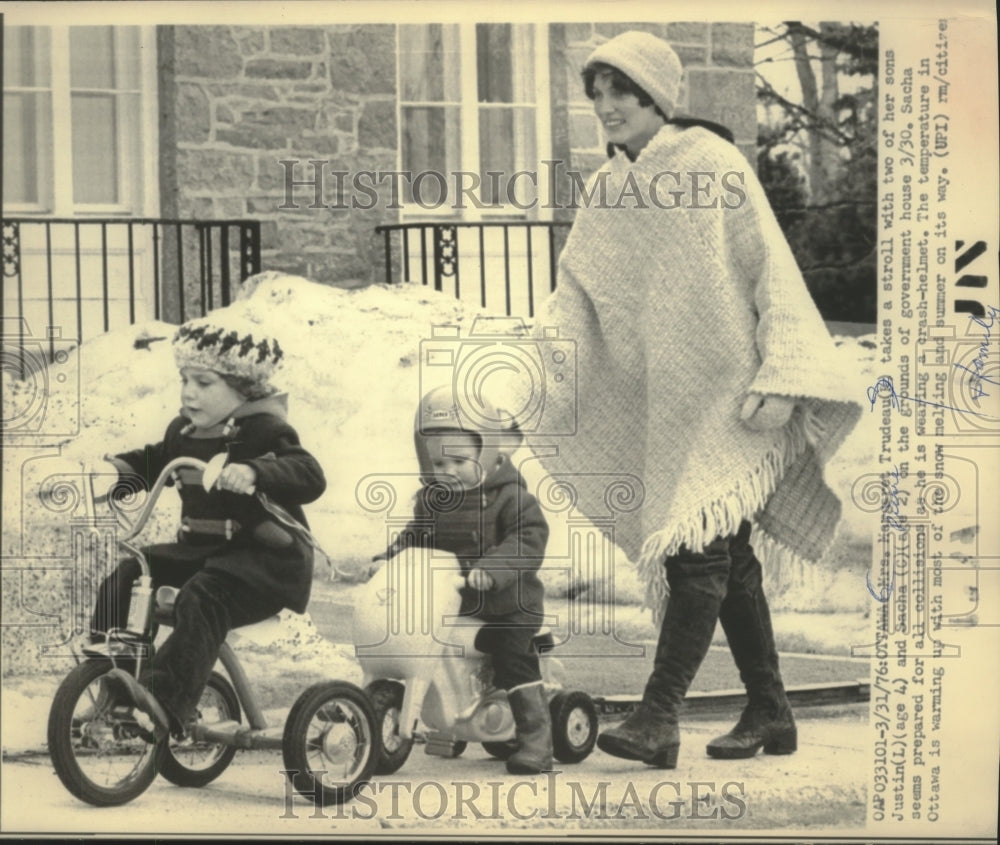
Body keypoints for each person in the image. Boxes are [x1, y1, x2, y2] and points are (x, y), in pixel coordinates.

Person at [526, 31, 863, 768]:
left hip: (733, 397)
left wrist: (782, 377)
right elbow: (577, 297)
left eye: (622, 91)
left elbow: (770, 271)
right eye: (597, 93)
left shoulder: (714, 166)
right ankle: (771, 710)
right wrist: (547, 369)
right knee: (727, 555)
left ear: (657, 96)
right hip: (668, 406)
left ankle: (659, 713)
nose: (606, 106)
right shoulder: (608, 189)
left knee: (695, 551)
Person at [89, 313, 326, 740]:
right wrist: (114, 474)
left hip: (265, 565)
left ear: (243, 388)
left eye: (203, 382)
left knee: (203, 596)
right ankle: (114, 681)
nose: (188, 393)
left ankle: (163, 700)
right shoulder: (184, 431)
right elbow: (154, 459)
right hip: (203, 555)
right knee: (131, 573)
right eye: (184, 380)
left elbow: (308, 473)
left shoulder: (265, 430)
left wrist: (257, 471)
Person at [370, 384, 552, 774]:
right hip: (452, 604)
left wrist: (493, 569)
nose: (446, 472)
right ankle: (447, 717)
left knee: (512, 655)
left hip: (507, 607)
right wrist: (389, 560)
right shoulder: (432, 502)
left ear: (485, 452)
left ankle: (537, 738)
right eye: (438, 464)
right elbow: (415, 538)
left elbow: (528, 539)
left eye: (458, 461)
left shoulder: (512, 498)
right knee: (424, 644)